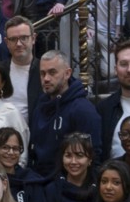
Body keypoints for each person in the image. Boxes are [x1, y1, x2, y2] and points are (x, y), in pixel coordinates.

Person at [28, 51, 103, 181]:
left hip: (69, 188)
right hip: (40, 183)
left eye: (52, 72)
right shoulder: (40, 105)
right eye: (42, 73)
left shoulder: (83, 110)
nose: (46, 78)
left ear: (67, 73)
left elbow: (94, 155)